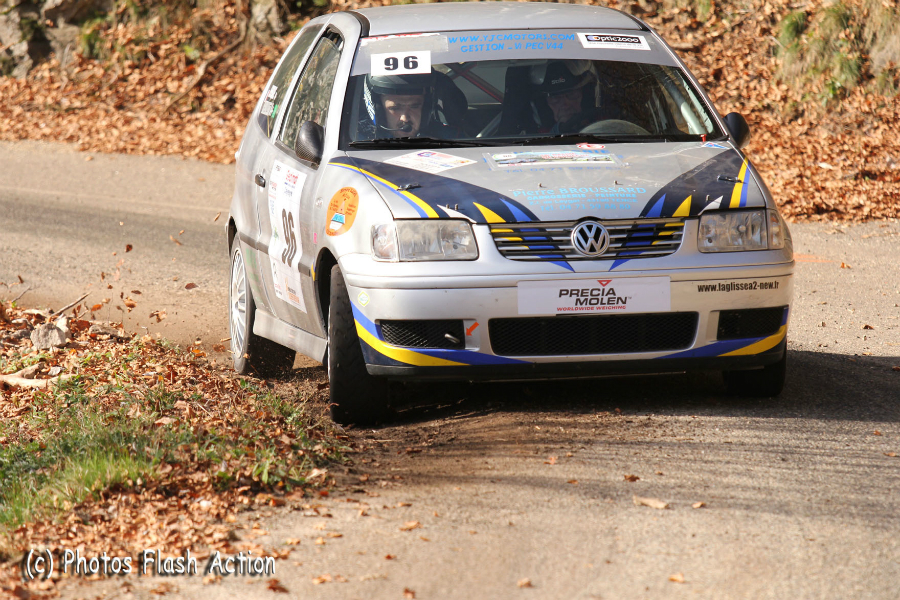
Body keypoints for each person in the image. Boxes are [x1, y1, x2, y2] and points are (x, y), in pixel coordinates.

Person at [362, 71, 465, 139]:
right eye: (395, 108)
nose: (405, 118)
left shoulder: (451, 138)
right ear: (378, 109)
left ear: (426, 108)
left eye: (414, 106)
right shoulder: (359, 141)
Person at [536, 61, 604, 134]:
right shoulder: (535, 140)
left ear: (587, 96)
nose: (566, 105)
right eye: (555, 98)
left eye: (572, 94)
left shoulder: (607, 127)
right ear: (544, 104)